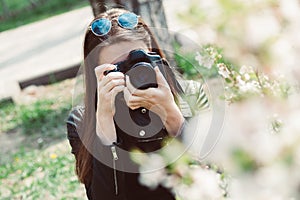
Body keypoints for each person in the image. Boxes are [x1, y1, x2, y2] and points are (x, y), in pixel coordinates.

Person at [66, 7, 208, 200]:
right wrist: (105, 124)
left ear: (154, 55)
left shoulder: (191, 94)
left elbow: (214, 176)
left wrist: (172, 115)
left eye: (137, 61)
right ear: (97, 74)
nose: (130, 75)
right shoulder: (82, 121)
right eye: (117, 69)